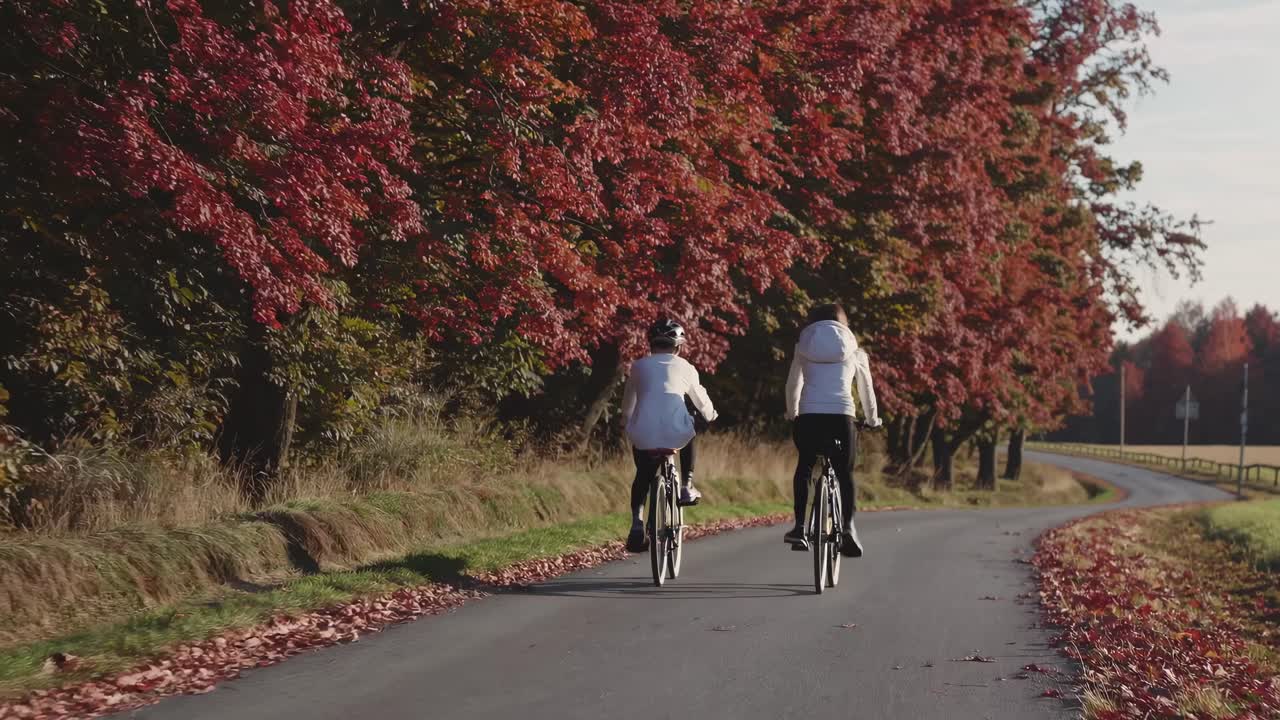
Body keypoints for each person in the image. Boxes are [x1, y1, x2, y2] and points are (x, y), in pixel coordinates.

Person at [783, 303, 882, 557]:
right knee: (845, 473)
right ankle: (848, 527)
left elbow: (793, 384)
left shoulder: (803, 348)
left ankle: (800, 527)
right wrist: (872, 419)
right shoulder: (855, 352)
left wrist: (792, 413)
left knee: (805, 465)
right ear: (844, 326)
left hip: (809, 416)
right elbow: (866, 390)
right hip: (842, 416)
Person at [620, 318, 718, 553]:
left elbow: (627, 408)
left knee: (643, 473)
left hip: (643, 433)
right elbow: (700, 400)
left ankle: (637, 522)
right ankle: (686, 485)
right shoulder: (685, 367)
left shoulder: (638, 366)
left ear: (651, 344)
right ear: (679, 346)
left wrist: (626, 421)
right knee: (690, 424)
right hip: (676, 431)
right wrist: (711, 415)